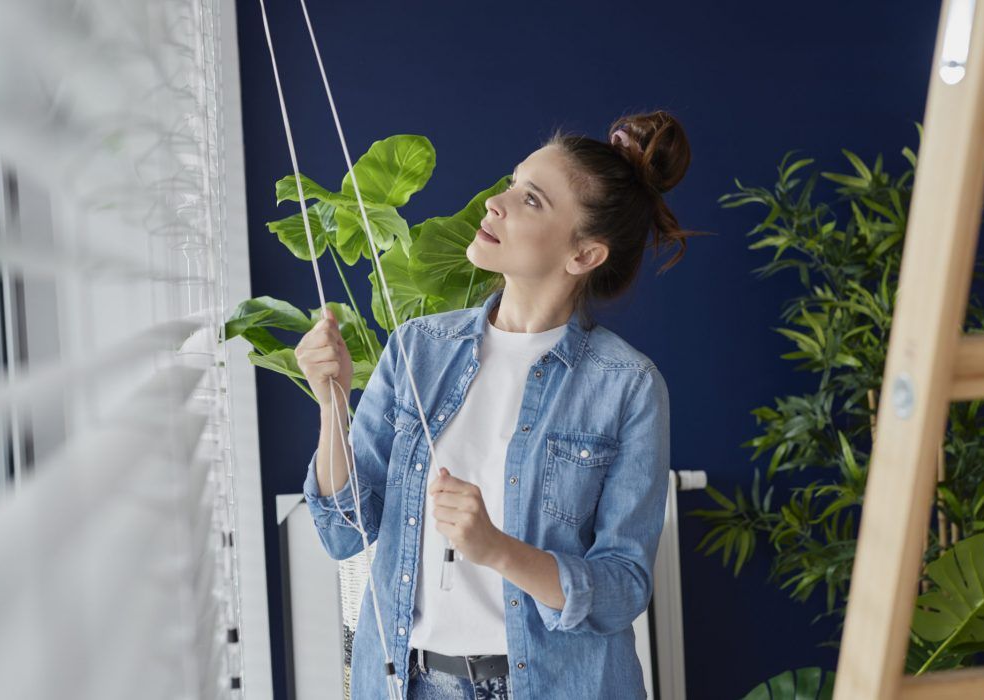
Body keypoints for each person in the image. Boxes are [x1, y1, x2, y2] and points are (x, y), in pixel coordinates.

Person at [296, 110, 699, 699]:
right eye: (510, 184)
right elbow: (343, 533)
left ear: (584, 255)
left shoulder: (627, 385)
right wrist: (332, 404)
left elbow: (622, 587)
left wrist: (497, 550)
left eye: (530, 200)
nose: (495, 204)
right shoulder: (420, 348)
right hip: (412, 684)